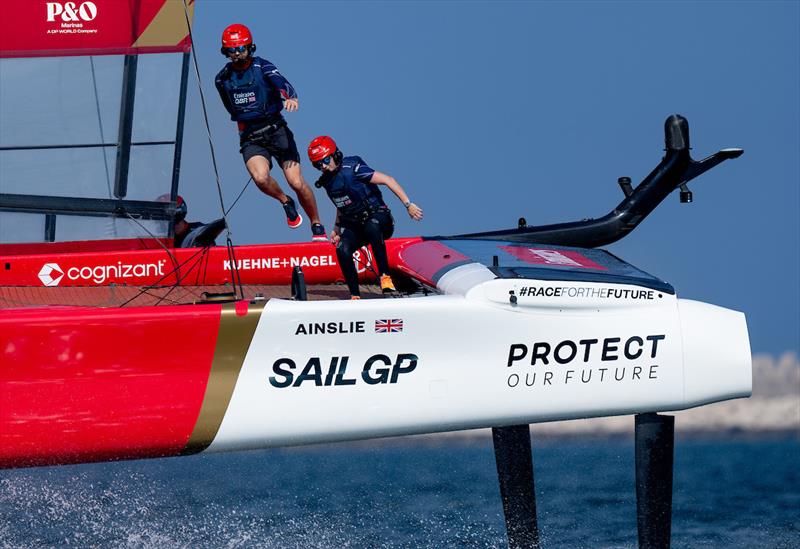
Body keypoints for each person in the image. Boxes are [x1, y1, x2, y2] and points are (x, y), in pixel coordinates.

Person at [214, 23, 326, 241]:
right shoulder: (222, 79)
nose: (237, 54)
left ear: (250, 47)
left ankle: (316, 224)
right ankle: (285, 201)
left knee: (295, 181)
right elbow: (229, 106)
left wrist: (290, 97)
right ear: (226, 52)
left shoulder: (261, 66)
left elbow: (281, 82)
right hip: (251, 137)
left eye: (241, 49)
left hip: (276, 131)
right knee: (260, 177)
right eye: (232, 50)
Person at [307, 136, 423, 299]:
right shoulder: (328, 182)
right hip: (356, 225)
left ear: (335, 155)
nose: (324, 166)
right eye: (318, 164)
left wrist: (408, 205)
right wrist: (336, 228)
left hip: (380, 219)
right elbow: (342, 205)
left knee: (372, 226)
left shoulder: (353, 168)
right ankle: (355, 295)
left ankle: (385, 278)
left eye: (326, 160)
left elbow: (388, 180)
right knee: (342, 249)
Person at [158, 194, 225, 248]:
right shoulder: (157, 239)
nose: (174, 224)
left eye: (177, 217)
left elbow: (205, 232)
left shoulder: (197, 229)